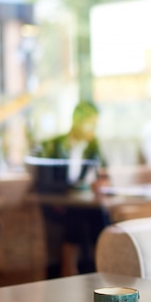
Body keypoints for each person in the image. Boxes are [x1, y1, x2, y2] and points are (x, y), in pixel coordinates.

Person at [33, 100, 110, 277]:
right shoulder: (52, 146)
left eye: (95, 124)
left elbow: (104, 173)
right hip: (56, 205)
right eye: (90, 123)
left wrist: (101, 182)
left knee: (99, 215)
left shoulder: (93, 147)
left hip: (81, 204)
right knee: (83, 216)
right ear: (76, 120)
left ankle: (97, 269)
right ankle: (77, 270)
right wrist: (72, 188)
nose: (93, 128)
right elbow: (43, 184)